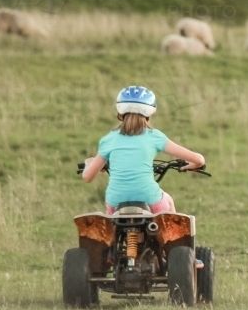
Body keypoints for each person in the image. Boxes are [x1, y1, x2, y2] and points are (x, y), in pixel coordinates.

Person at [81, 86, 205, 214]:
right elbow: (199, 160)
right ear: (149, 113)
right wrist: (189, 166)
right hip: (150, 198)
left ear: (120, 112)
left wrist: (89, 163)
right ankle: (172, 234)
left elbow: (87, 177)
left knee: (109, 227)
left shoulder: (109, 139)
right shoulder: (155, 136)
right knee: (168, 203)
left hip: (115, 200)